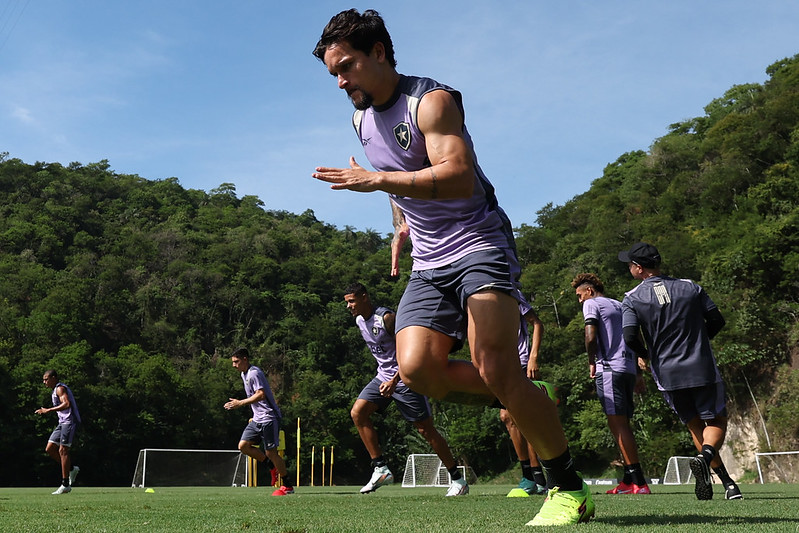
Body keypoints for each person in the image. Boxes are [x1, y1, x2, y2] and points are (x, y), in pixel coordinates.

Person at [312, 9, 593, 525]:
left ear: (378, 52)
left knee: (494, 365)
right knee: (417, 370)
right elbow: (397, 177)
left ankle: (568, 487)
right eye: (333, 73)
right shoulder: (360, 118)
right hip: (428, 258)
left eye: (346, 66)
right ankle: (523, 392)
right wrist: (399, 223)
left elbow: (458, 177)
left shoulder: (431, 101)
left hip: (479, 242)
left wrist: (377, 182)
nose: (341, 81)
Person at [618, 242, 742, 501]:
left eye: (630, 264)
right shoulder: (690, 287)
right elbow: (717, 320)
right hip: (701, 366)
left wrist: (645, 355)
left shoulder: (631, 299)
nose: (629, 268)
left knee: (695, 425)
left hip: (667, 372)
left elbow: (629, 336)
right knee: (716, 421)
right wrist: (700, 343)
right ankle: (709, 461)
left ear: (639, 269)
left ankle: (728, 483)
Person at [344, 282, 469, 496]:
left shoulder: (386, 319)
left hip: (405, 379)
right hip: (382, 377)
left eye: (352, 301)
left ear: (364, 297)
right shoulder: (359, 321)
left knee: (425, 430)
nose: (349, 306)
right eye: (347, 302)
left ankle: (458, 480)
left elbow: (408, 350)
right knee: (358, 413)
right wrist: (387, 379)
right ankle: (380, 468)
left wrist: (395, 380)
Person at [571, 273, 651, 495]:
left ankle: (639, 482)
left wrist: (591, 361)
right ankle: (627, 480)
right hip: (627, 369)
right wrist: (638, 373)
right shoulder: (620, 304)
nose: (580, 301)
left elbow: (590, 334)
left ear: (588, 291)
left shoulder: (591, 304)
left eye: (579, 295)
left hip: (608, 369)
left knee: (618, 425)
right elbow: (634, 335)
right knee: (623, 423)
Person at [224, 347, 294, 496]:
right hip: (257, 419)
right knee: (243, 446)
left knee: (271, 453)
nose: (234, 365)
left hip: (269, 417)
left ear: (245, 359)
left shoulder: (254, 373)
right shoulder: (244, 374)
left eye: (236, 362)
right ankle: (271, 466)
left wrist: (240, 403)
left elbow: (261, 394)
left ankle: (288, 486)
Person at [502, 306, 549, 497]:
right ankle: (532, 477)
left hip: (520, 363)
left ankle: (534, 477)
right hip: (501, 366)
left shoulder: (512, 292)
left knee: (518, 416)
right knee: (509, 418)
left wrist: (533, 356)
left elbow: (537, 323)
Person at [35, 370, 81, 495]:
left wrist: (48, 410)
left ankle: (65, 484)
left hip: (69, 422)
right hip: (62, 423)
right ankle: (71, 469)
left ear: (54, 378)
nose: (44, 382)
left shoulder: (60, 388)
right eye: (43, 379)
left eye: (46, 379)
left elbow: (66, 404)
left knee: (63, 450)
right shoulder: (55, 390)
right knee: (50, 449)